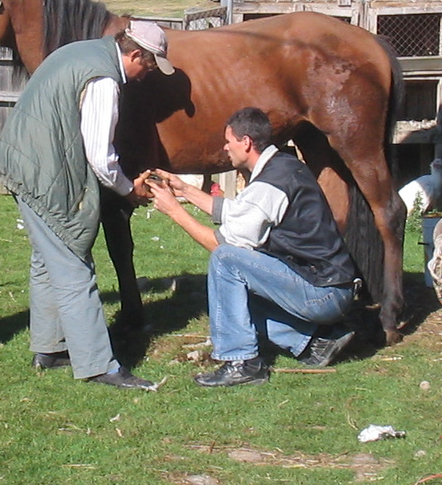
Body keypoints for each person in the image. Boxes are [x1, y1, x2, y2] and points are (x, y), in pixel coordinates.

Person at [0, 21, 175, 390]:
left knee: (47, 257)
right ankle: (98, 365)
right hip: (42, 169)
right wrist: (128, 190)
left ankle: (49, 348)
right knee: (74, 263)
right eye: (150, 65)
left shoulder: (83, 51)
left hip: (21, 160)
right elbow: (100, 157)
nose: (146, 75)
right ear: (135, 54)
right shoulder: (104, 79)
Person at [147, 106, 360, 387]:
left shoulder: (270, 184)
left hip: (323, 294)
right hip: (331, 287)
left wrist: (175, 211)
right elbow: (238, 213)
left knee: (225, 261)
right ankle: (314, 342)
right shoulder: (281, 167)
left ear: (246, 142)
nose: (225, 148)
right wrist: (184, 190)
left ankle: (241, 362)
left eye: (229, 141)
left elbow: (221, 245)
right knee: (229, 300)